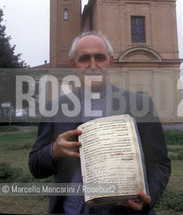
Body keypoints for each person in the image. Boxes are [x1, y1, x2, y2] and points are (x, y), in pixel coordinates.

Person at [29, 31, 171, 214]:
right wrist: (53, 151)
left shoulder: (140, 105)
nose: (93, 65)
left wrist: (147, 197)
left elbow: (160, 163)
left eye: (100, 58)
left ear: (110, 63)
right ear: (73, 65)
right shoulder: (54, 108)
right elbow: (35, 166)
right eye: (84, 58)